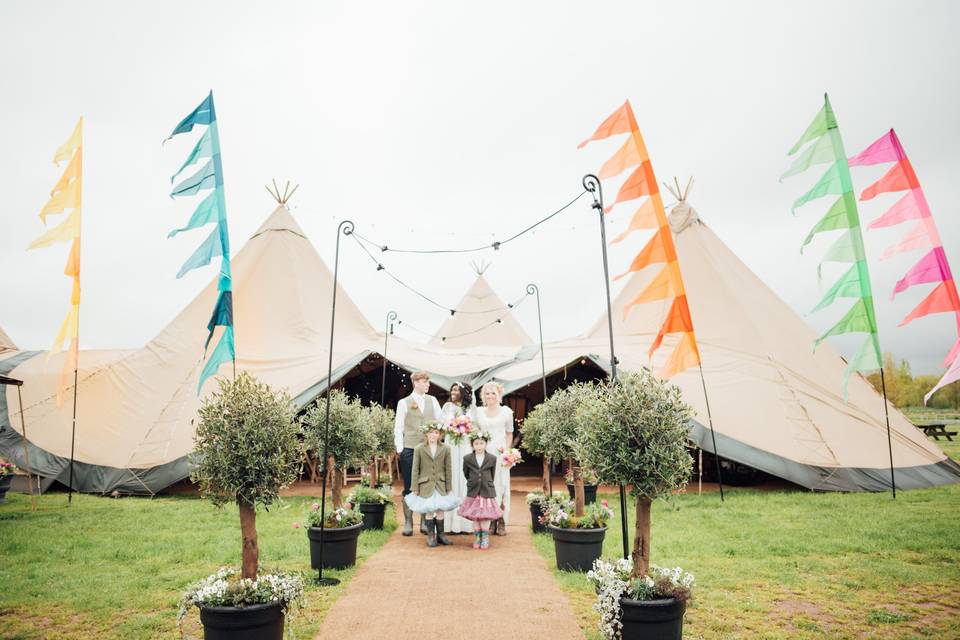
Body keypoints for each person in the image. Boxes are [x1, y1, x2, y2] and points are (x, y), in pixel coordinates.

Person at [394, 371, 443, 536]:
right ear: (415, 382)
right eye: (424, 381)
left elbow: (440, 422)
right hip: (409, 449)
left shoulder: (433, 401)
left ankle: (424, 520)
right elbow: (398, 427)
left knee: (426, 484)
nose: (428, 385)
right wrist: (400, 448)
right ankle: (408, 522)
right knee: (409, 485)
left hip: (429, 449)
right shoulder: (404, 402)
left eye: (428, 382)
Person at [404, 423, 461, 547]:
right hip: (426, 485)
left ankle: (441, 535)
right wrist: (415, 487)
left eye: (436, 432)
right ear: (426, 434)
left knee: (440, 510)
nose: (433, 435)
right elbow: (415, 469)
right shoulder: (419, 448)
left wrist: (448, 487)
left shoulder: (445, 448)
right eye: (431, 432)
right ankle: (431, 536)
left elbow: (448, 469)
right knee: (429, 510)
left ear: (440, 435)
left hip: (440, 484)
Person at [476, 381, 514, 535]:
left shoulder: (506, 412)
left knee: (502, 487)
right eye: (487, 393)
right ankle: (490, 519)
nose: (490, 396)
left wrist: (507, 451)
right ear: (483, 396)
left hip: (500, 453)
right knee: (487, 487)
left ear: (499, 395)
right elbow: (476, 433)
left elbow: (509, 433)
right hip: (484, 455)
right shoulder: (478, 412)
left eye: (493, 393)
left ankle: (501, 520)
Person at [457, 430, 502, 550]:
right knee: (475, 515)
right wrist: (473, 481)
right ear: (472, 445)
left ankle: (485, 537)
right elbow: (466, 473)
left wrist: (486, 482)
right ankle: (477, 536)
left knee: (486, 515)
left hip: (487, 491)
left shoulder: (492, 458)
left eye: (481, 443)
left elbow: (492, 474)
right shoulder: (467, 458)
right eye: (476, 443)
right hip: (473, 491)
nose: (479, 446)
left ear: (486, 444)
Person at [441, 382, 475, 534]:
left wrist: (465, 427)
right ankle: (449, 524)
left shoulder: (471, 409)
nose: (453, 391)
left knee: (464, 478)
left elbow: (475, 426)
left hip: (465, 446)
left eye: (456, 389)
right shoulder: (447, 407)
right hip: (451, 446)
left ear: (463, 392)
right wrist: (452, 426)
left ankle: (465, 523)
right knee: (451, 477)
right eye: (452, 389)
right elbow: (442, 426)